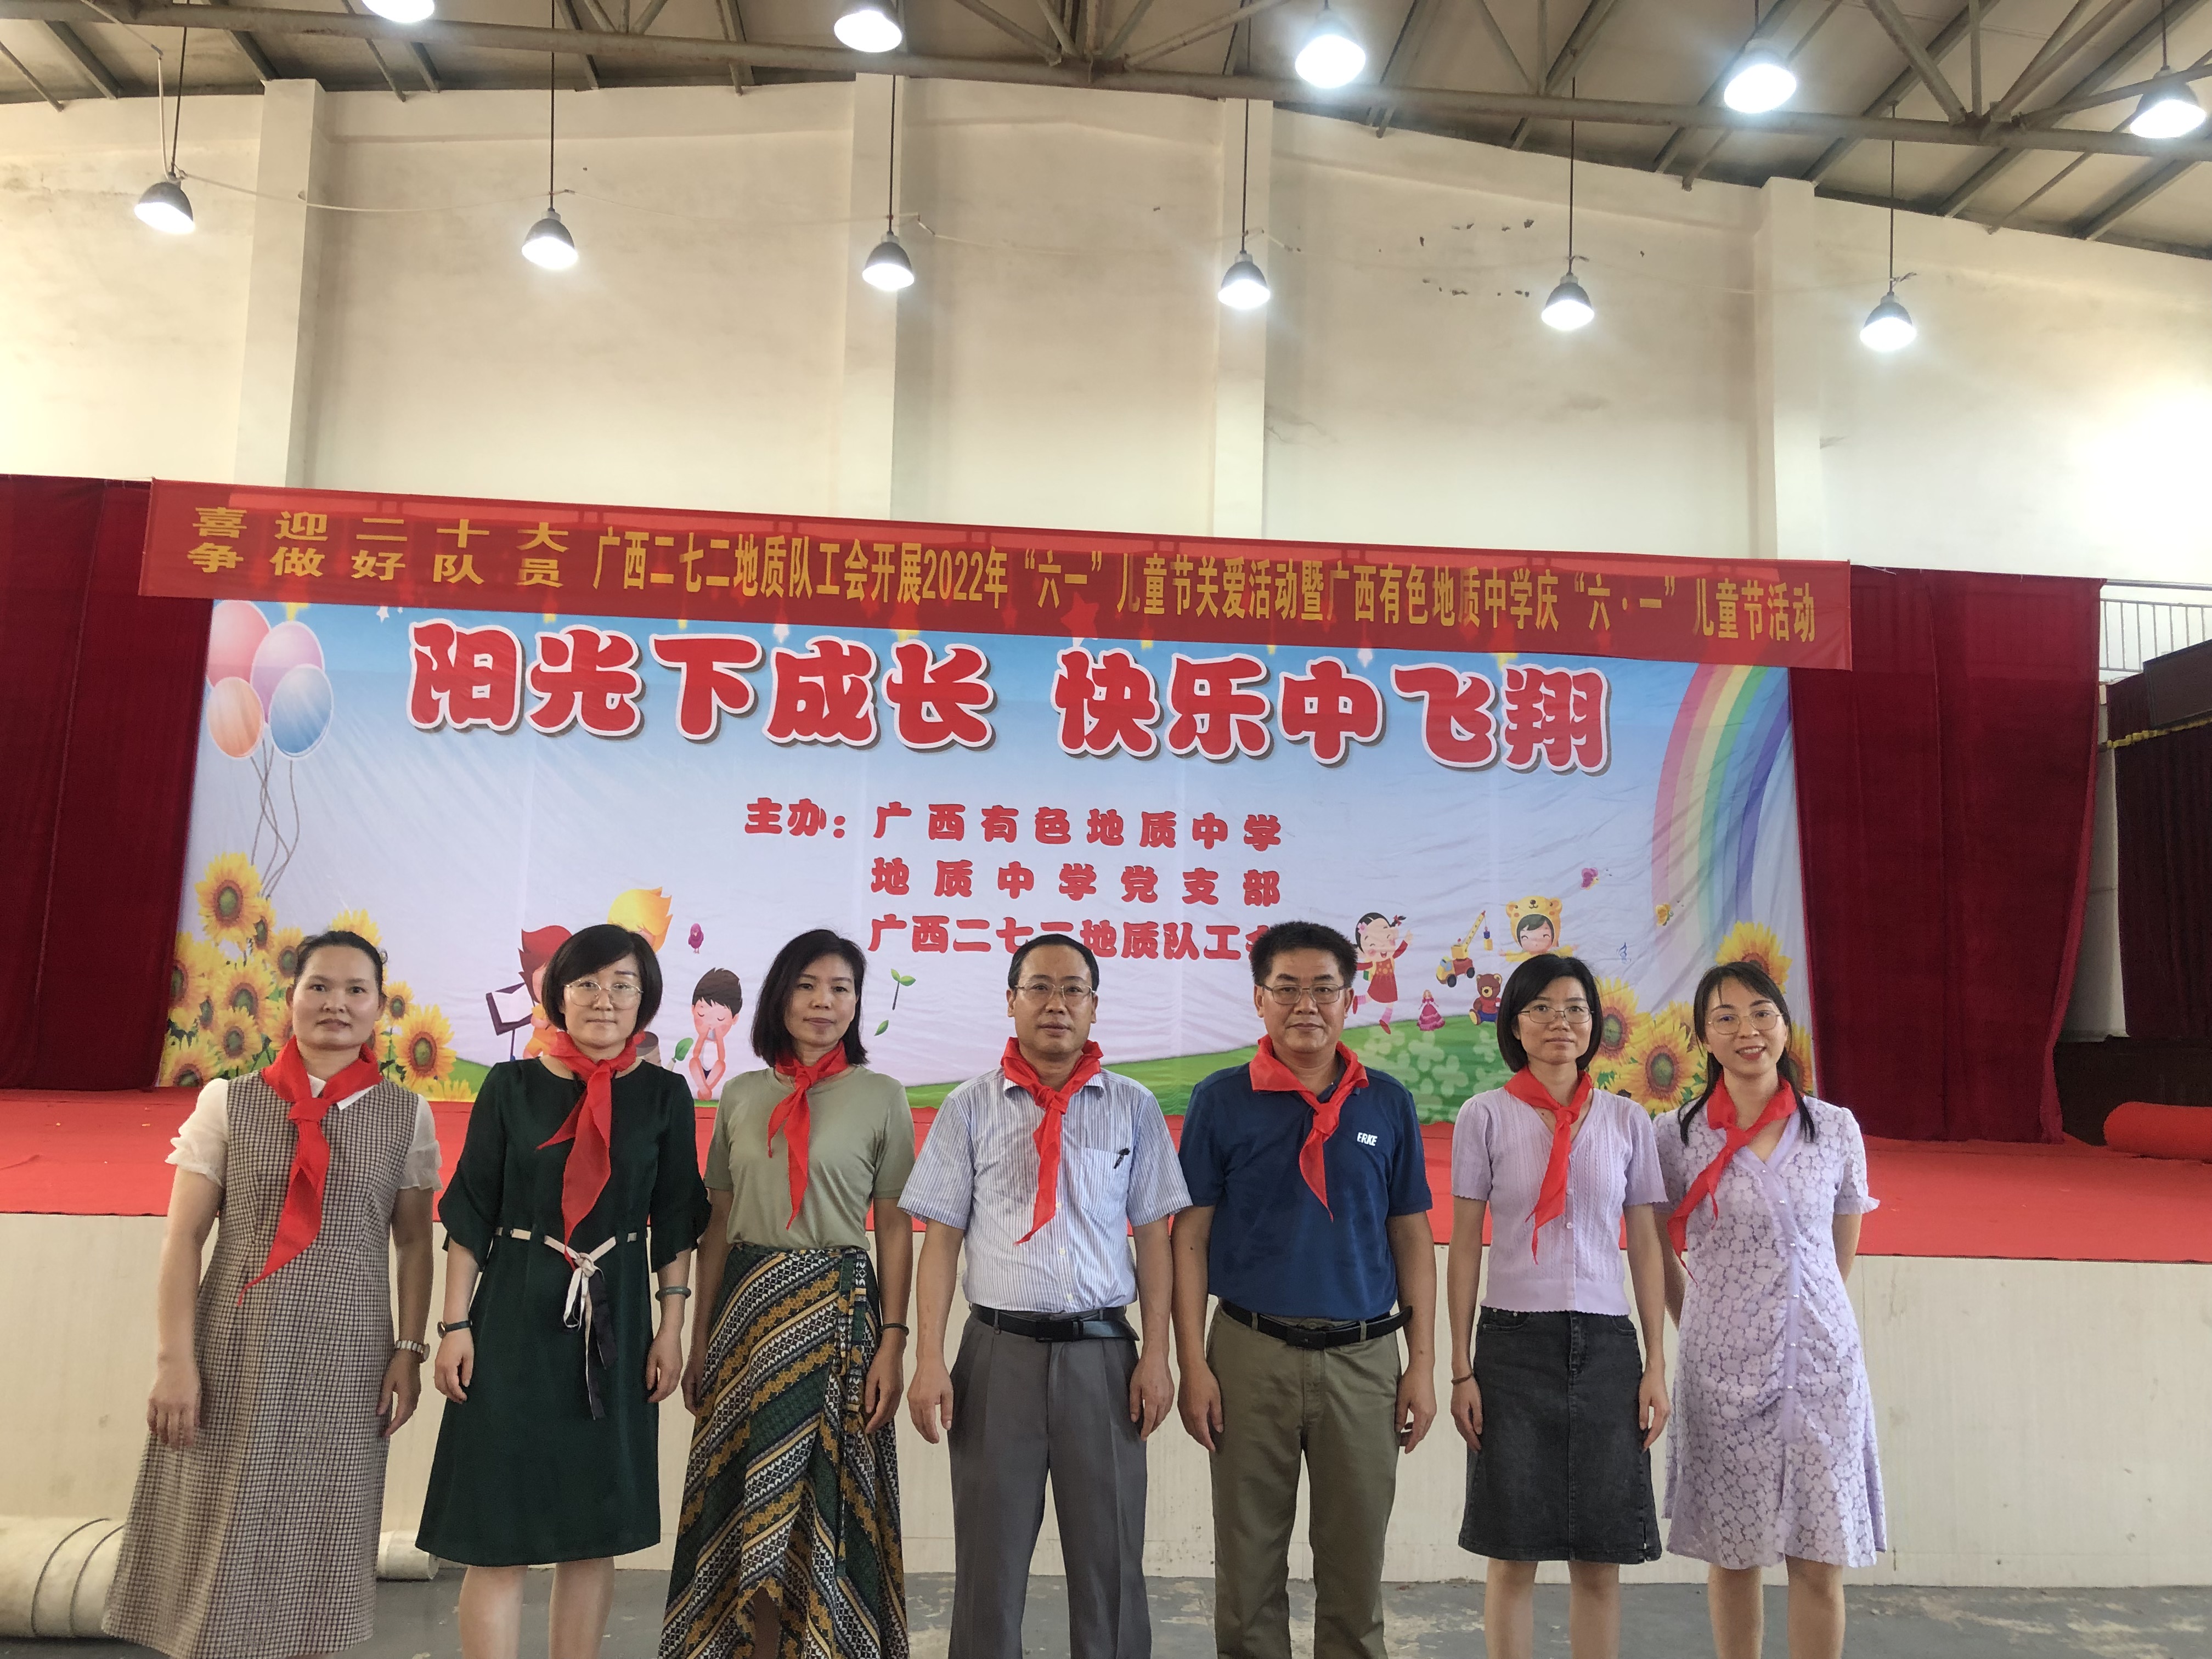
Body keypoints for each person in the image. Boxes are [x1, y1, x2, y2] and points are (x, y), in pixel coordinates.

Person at [105, 929, 440, 1659]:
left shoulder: (407, 1116)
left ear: (380, 1008)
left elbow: (415, 1242)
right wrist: (174, 1361)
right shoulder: (229, 1102)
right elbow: (184, 1238)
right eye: (319, 986)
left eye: (356, 990)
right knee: (214, 1534)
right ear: (290, 997)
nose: (336, 1003)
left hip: (349, 1358)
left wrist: (409, 1351)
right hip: (235, 1349)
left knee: (322, 1536)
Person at [419, 923, 709, 1659]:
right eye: (587, 984)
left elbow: (676, 1218)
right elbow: (471, 1211)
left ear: (644, 999)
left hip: (617, 1317)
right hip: (514, 1308)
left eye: (622, 985)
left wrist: (670, 1329)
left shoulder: (665, 1095)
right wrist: (454, 1325)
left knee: (591, 1529)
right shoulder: (510, 1086)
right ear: (558, 994)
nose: (604, 1000)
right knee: (497, 1529)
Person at [900, 933, 1188, 1659]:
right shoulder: (968, 1108)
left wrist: (1159, 1356)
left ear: (1094, 1005)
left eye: (1073, 989)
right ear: (1011, 1001)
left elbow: (1156, 1239)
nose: (1056, 1004)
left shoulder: (1133, 1107)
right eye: (1039, 987)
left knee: (1110, 1565)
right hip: (998, 1355)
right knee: (988, 1568)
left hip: (1104, 1360)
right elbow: (941, 1241)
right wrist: (928, 1359)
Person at [1175, 919, 1436, 1659]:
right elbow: (1189, 1238)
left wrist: (1421, 1365)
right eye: (1286, 989)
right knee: (1247, 1568)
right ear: (1259, 999)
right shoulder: (1221, 1101)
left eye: (1324, 989)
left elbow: (1412, 1238)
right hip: (1248, 1353)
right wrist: (1192, 1365)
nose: (1306, 1006)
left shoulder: (1387, 1103)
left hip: (1365, 1360)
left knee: (1356, 1568)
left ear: (1350, 1000)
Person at [663, 932, 915, 1659]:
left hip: (841, 1324)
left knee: (824, 1518)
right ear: (779, 997)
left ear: (857, 1003)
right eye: (807, 986)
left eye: (841, 988)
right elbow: (716, 1223)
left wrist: (894, 1342)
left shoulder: (882, 1097)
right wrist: (700, 1337)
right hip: (745, 1323)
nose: (823, 1002)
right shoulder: (741, 1095)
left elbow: (894, 1228)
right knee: (746, 1512)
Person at [1656, 962, 1884, 1659]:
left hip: (1822, 1369)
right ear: (1703, 1038)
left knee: (1819, 1558)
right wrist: (1701, 1321)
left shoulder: (1835, 1129)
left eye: (1762, 1013)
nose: (1747, 1030)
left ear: (1786, 1027)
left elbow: (1839, 1244)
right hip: (1720, 1371)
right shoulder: (1676, 1136)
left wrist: (1805, 1314)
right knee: (1734, 1556)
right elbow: (1654, 1244)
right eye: (1725, 1018)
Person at [1446, 952, 1671, 1659]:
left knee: (1599, 1557)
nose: (1560, 1022)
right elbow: (1464, 1246)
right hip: (1512, 1346)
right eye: (1541, 1008)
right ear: (1515, 1024)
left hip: (1607, 1348)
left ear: (1594, 1023)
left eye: (1575, 1008)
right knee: (1512, 1554)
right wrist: (1460, 1368)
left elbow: (1645, 1246)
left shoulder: (1628, 1121)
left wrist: (1656, 1364)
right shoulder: (1485, 1116)